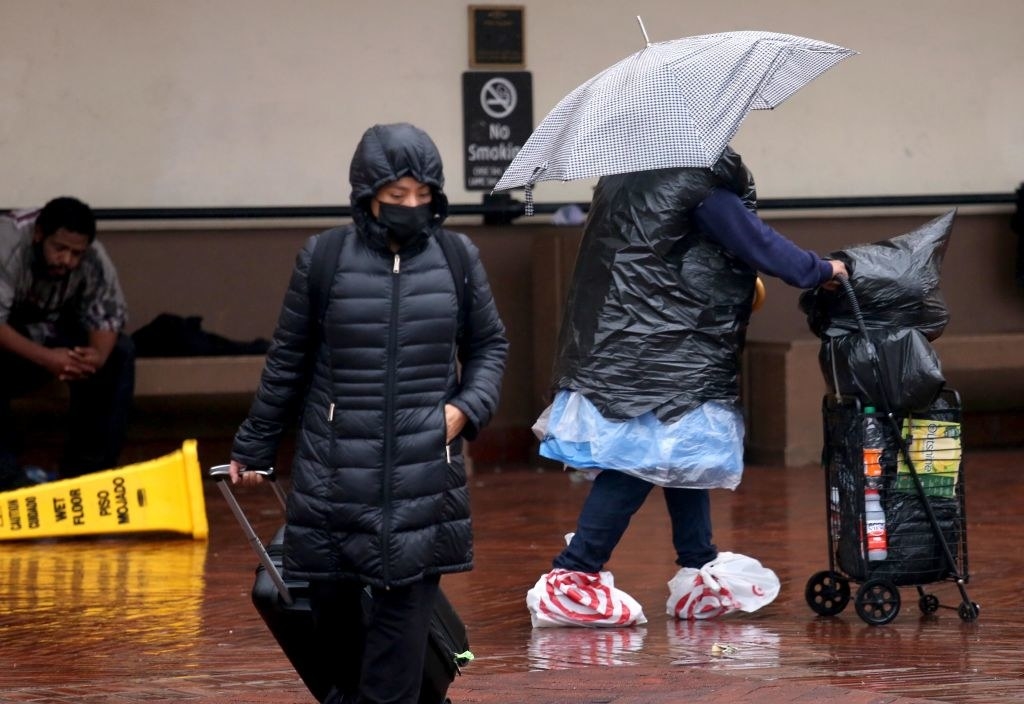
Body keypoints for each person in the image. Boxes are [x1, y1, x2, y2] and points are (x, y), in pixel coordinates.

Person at [228, 123, 508, 704]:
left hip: (425, 475)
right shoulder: (325, 257)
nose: (410, 207)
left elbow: (489, 347)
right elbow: (289, 358)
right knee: (336, 626)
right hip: (335, 474)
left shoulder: (457, 257)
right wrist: (255, 445)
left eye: (421, 195)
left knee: (399, 639)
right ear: (366, 194)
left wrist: (462, 411)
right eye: (395, 196)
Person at [530, 147, 847, 624]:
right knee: (639, 461)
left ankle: (698, 566)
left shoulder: (623, 177)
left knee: (680, 456)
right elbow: (755, 241)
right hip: (667, 347)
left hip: (628, 343)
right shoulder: (696, 184)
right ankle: (574, 574)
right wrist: (820, 270)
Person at [0, 196, 134, 489]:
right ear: (39, 235)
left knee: (119, 353)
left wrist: (94, 357)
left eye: (76, 253)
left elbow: (107, 315)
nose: (67, 260)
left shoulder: (93, 255)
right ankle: (8, 481)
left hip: (50, 334)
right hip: (10, 341)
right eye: (59, 249)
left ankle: (88, 477)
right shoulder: (7, 242)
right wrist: (47, 358)